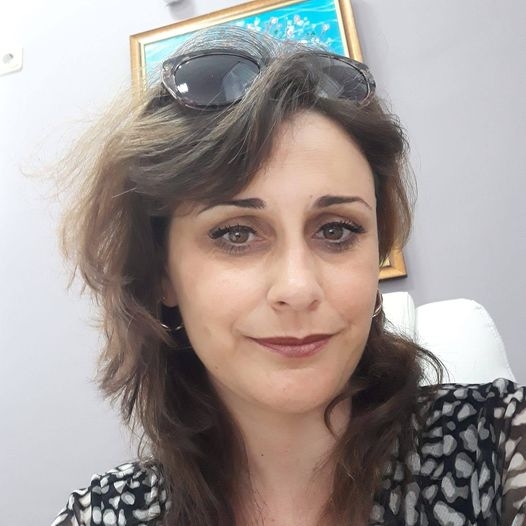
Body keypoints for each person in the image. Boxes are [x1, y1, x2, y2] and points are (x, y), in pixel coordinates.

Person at [52, 26, 525, 526]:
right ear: (161, 273)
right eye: (236, 234)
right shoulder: (104, 514)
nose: (298, 288)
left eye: (336, 230)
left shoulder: (500, 448)